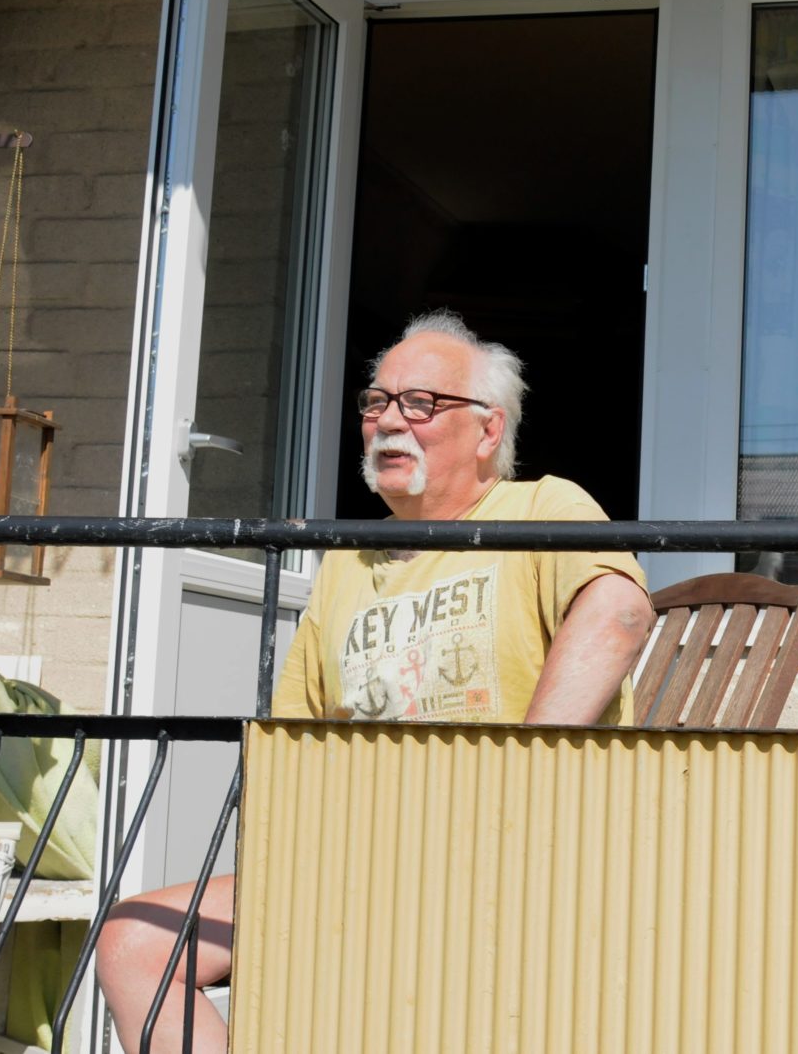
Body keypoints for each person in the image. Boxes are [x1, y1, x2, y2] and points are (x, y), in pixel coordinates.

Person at [95, 311, 654, 1052]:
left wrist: (515, 783)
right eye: (377, 402)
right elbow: (294, 744)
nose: (389, 421)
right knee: (135, 941)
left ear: (488, 430)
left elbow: (619, 613)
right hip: (368, 871)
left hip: (523, 868)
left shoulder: (541, 508)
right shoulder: (346, 563)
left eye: (420, 403)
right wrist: (302, 860)